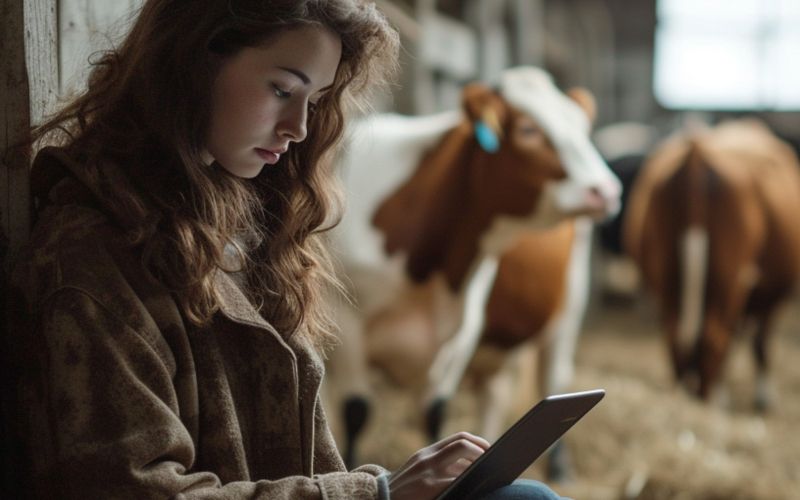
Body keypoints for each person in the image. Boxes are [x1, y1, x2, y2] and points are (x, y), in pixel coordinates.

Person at [3, 1, 565, 498]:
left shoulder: (244, 226)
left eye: (315, 99)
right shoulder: (90, 260)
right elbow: (132, 489)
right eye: (282, 89)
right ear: (195, 60)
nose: (299, 126)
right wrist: (379, 494)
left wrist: (396, 489)